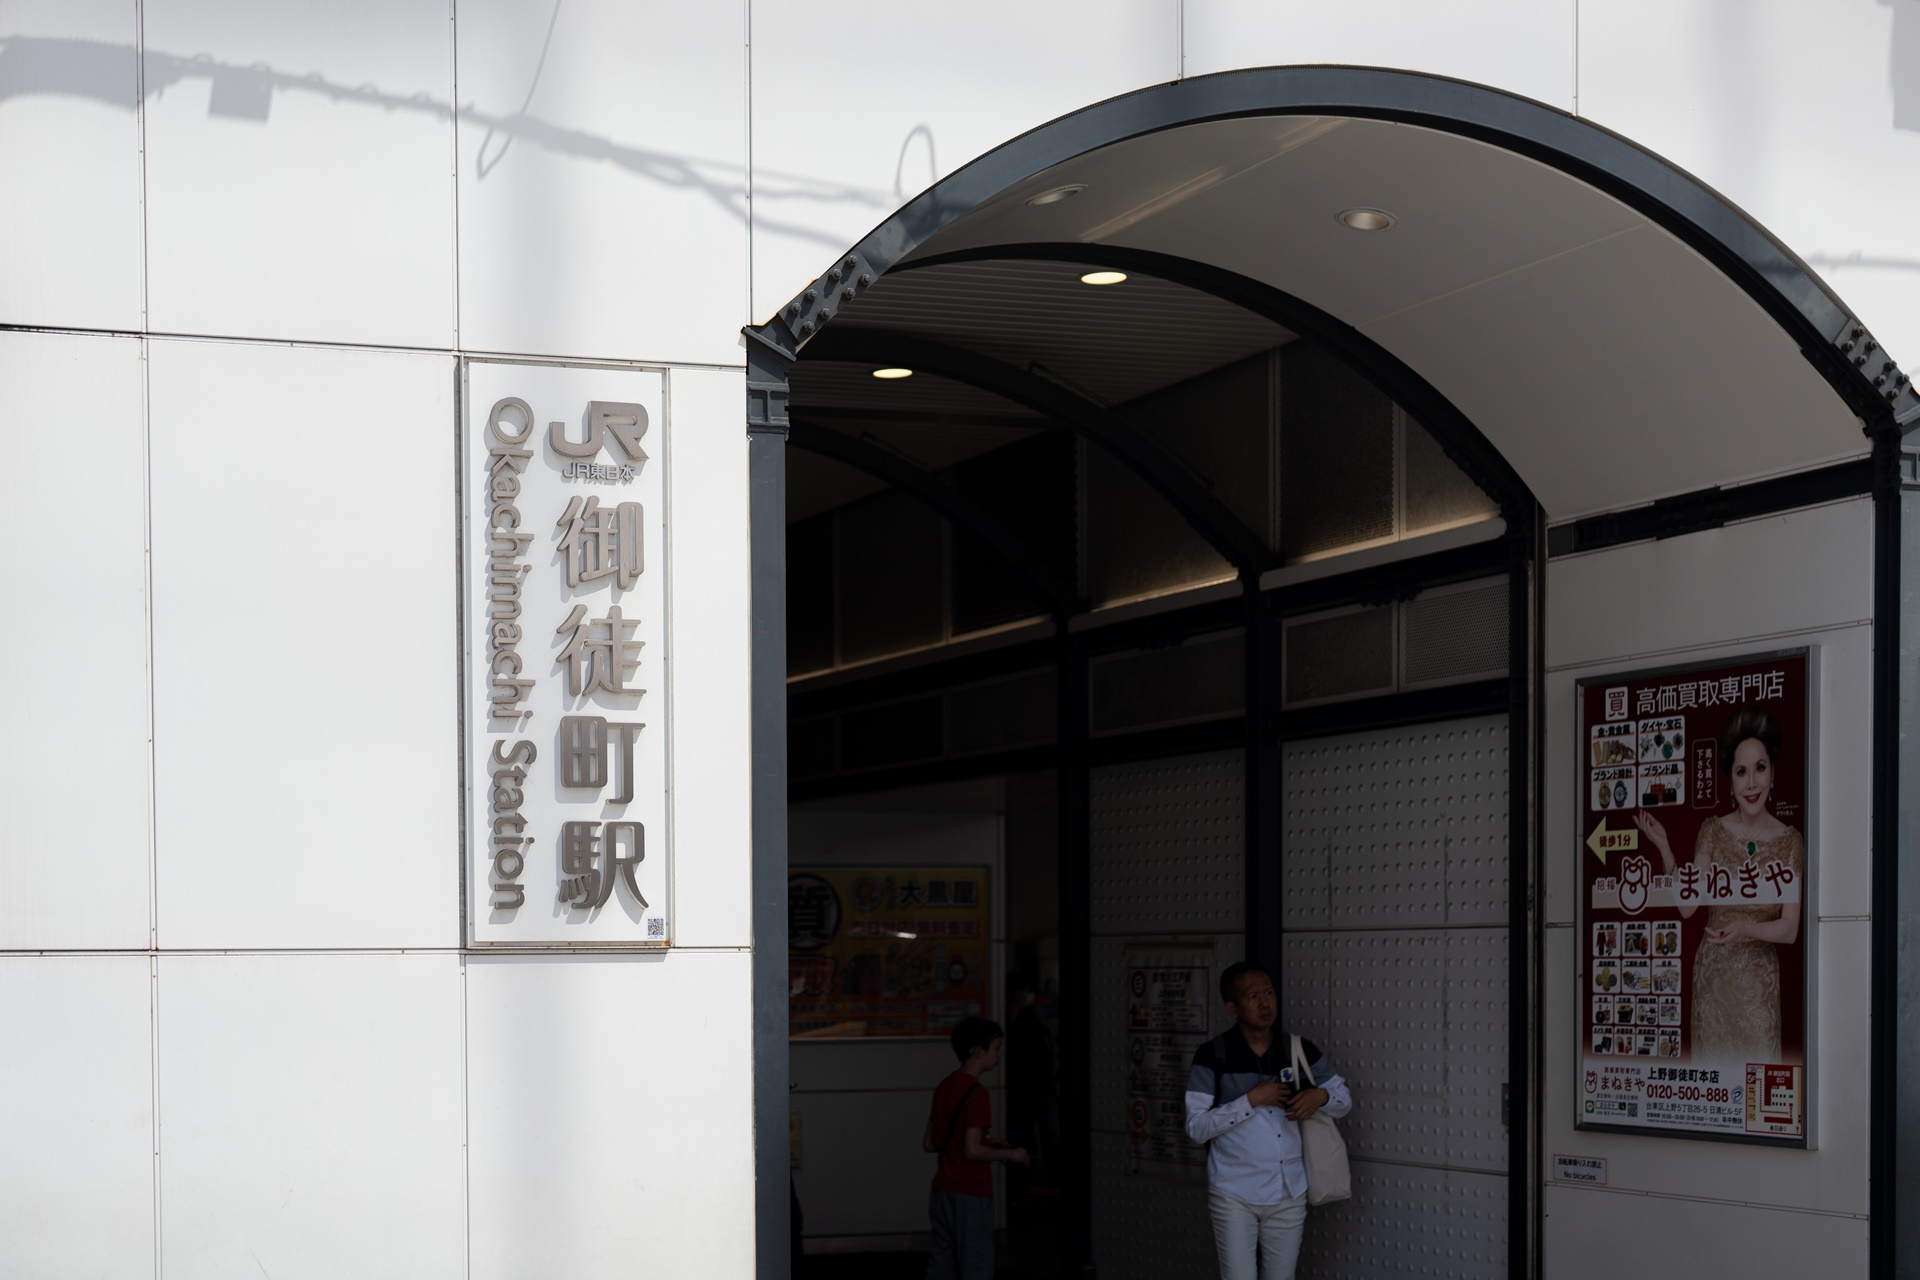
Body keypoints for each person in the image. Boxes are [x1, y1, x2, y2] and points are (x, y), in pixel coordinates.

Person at [1634, 703, 1804, 1064]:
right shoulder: (1712, 830)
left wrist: (1745, 929)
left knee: (1757, 1083)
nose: (1752, 782)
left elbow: (1790, 929)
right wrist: (1665, 849)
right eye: (1741, 772)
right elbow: (1688, 906)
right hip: (1713, 982)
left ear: (1773, 773)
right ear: (1731, 781)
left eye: (1760, 768)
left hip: (1758, 987)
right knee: (1714, 1084)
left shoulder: (1790, 841)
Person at [1184, 962, 1352, 1280]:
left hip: (1289, 1190)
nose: (1264, 1003)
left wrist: (1321, 1097)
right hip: (1233, 1192)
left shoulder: (1298, 1049)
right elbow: (1196, 1127)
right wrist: (1251, 1100)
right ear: (1232, 1007)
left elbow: (1344, 1100)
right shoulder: (1213, 1054)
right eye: (1253, 996)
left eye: (1269, 993)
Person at [922, 1016, 1030, 1280]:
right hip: (970, 1191)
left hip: (942, 1190)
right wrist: (1011, 1154)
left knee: (942, 1264)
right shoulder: (977, 1093)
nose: (1000, 1054)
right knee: (975, 1265)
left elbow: (930, 1143)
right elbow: (972, 1150)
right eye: (997, 1047)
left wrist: (988, 1144)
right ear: (978, 1051)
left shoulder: (945, 1085)